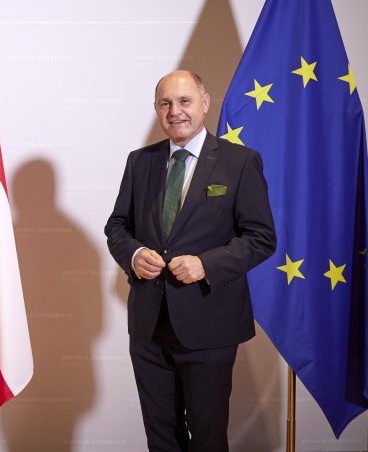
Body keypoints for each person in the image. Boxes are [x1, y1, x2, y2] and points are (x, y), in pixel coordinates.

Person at [105, 70, 276, 451]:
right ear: (156, 109)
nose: (175, 111)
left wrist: (206, 264)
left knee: (208, 437)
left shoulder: (240, 162)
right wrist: (133, 254)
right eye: (165, 103)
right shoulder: (140, 162)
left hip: (209, 325)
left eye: (184, 101)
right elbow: (117, 226)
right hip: (149, 328)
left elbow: (262, 238)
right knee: (161, 437)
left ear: (205, 103)